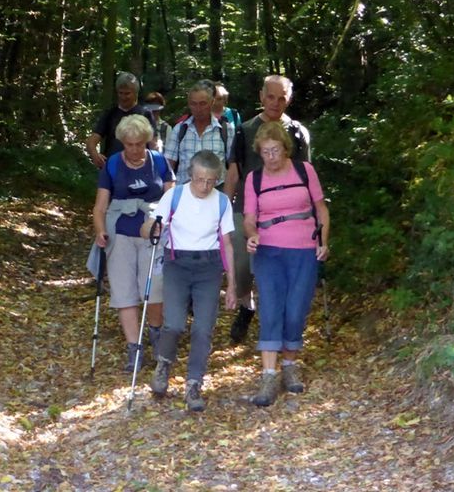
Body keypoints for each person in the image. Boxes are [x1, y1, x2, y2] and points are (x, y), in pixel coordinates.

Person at [243, 121, 329, 407]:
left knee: (296, 310)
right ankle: (269, 374)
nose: (271, 157)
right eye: (265, 152)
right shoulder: (254, 180)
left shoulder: (305, 171)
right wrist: (252, 234)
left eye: (275, 151)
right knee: (270, 307)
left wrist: (323, 241)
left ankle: (289, 365)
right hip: (268, 250)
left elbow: (321, 210)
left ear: (285, 149)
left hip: (304, 249)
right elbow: (248, 217)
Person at [143, 150, 237, 412]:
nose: (204, 186)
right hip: (177, 263)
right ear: (190, 175)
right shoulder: (173, 195)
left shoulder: (221, 202)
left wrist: (232, 284)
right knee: (173, 324)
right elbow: (148, 227)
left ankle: (194, 383)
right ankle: (164, 365)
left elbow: (227, 244)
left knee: (203, 329)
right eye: (199, 179)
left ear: (217, 179)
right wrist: (153, 228)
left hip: (209, 267)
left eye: (210, 180)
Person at [224, 75, 311, 344]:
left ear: (289, 99)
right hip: (245, 209)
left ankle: (275, 325)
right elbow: (233, 172)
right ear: (261, 97)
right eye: (271, 96)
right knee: (240, 269)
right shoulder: (245, 130)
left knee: (275, 271)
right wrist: (223, 211)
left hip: (285, 216)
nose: (276, 102)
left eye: (282, 97)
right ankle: (247, 307)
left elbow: (306, 176)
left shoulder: (297, 132)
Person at [92, 114, 175, 373]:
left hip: (153, 235)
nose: (136, 149)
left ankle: (156, 336)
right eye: (130, 144)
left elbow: (172, 197)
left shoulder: (159, 162)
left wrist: (159, 220)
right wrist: (100, 231)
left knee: (155, 290)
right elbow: (100, 207)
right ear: (122, 143)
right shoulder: (113, 165)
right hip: (121, 235)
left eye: (140, 143)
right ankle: (134, 348)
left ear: (148, 141)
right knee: (124, 291)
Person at [164, 80, 230, 187]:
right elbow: (168, 166)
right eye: (193, 104)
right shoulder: (180, 129)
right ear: (189, 104)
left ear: (212, 102)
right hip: (185, 191)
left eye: (203, 103)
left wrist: (227, 196)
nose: (198, 109)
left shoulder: (225, 130)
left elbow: (233, 167)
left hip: (216, 190)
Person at [86, 72, 157, 169]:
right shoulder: (110, 114)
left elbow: (153, 143)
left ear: (135, 93)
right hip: (113, 168)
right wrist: (95, 155)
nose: (123, 97)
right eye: (121, 93)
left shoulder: (145, 114)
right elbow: (92, 141)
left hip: (140, 169)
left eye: (127, 93)